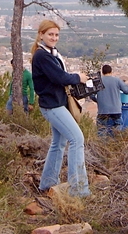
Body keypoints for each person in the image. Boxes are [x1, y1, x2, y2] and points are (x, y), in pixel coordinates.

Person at [31, 20, 90, 197]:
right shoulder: (43, 56)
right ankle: (78, 190)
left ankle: (47, 183)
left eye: (56, 35)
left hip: (54, 104)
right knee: (77, 139)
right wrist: (78, 77)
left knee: (59, 143)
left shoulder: (48, 54)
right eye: (50, 34)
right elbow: (60, 77)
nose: (54, 38)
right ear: (41, 35)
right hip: (53, 106)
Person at [90, 64, 128, 137]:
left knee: (101, 129)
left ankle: (102, 146)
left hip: (103, 110)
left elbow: (91, 95)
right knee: (118, 128)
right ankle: (116, 144)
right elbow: (127, 91)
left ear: (102, 72)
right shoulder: (117, 80)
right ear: (111, 71)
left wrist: (98, 100)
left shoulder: (98, 81)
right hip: (116, 109)